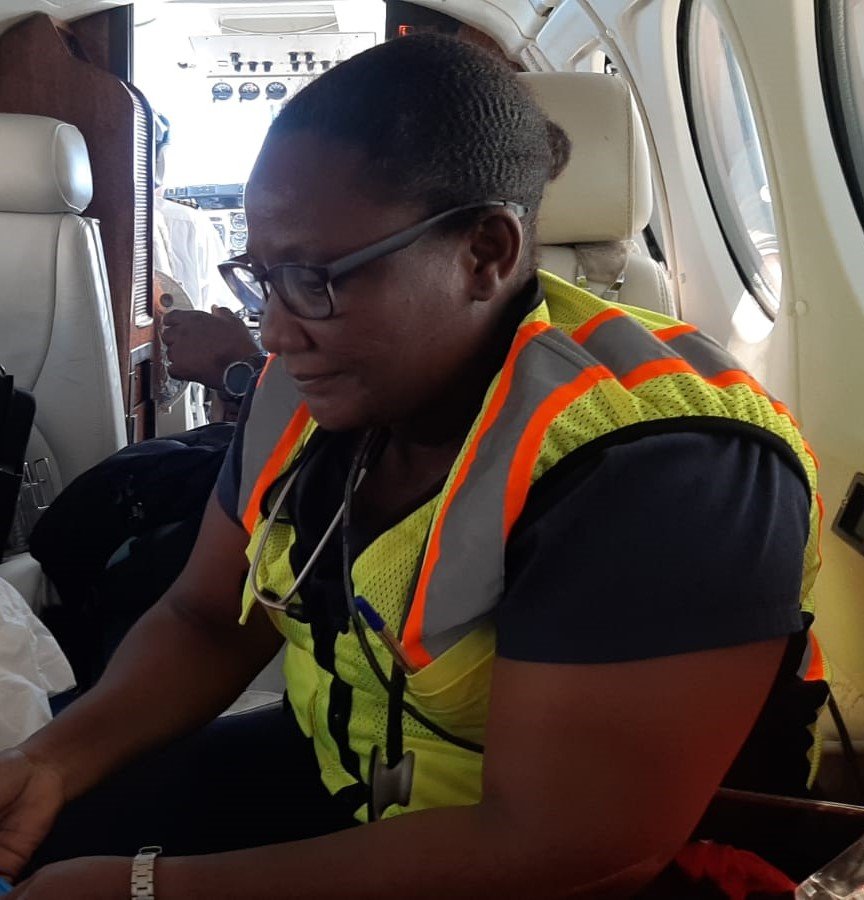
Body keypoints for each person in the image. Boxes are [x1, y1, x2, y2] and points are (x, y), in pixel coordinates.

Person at [0, 34, 826, 899]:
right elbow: (208, 617)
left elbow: (574, 849)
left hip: (580, 869)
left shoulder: (664, 465)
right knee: (45, 825)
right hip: (352, 775)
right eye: (265, 277)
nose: (276, 332)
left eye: (316, 278)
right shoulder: (309, 389)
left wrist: (145, 888)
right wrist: (50, 762)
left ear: (486, 254)